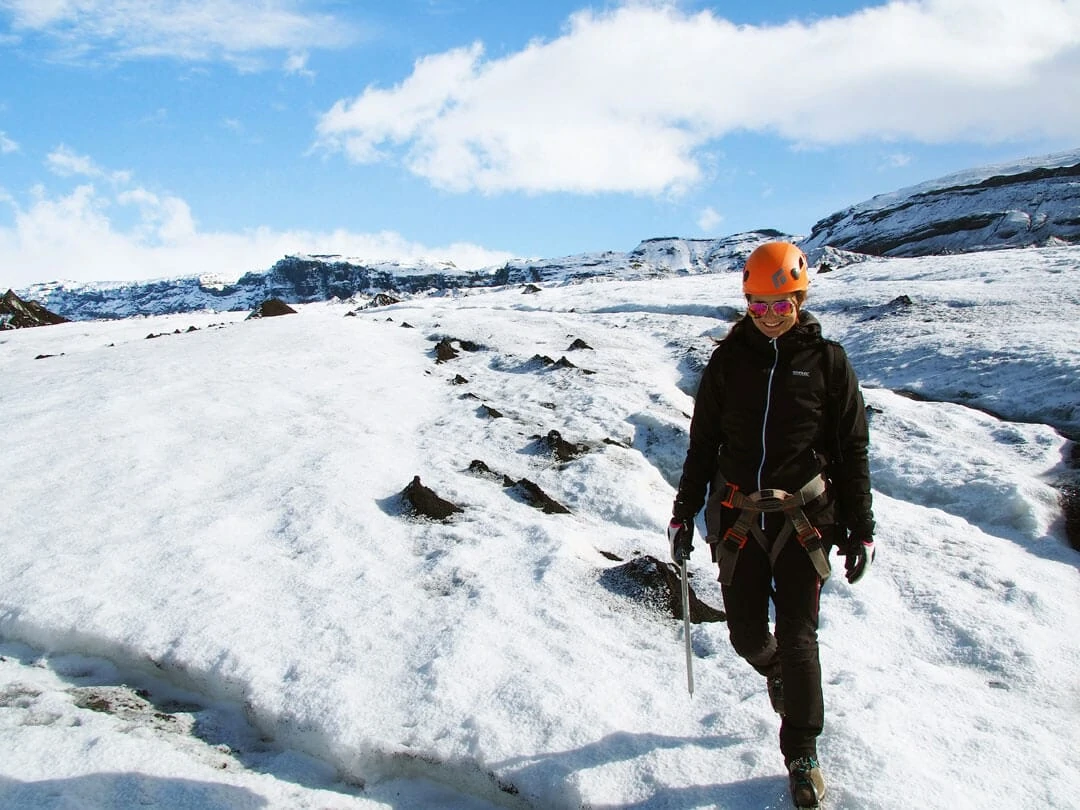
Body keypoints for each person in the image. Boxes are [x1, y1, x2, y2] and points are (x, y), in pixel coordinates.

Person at [667, 241, 875, 809]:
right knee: (745, 634)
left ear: (800, 300)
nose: (768, 316)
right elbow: (703, 445)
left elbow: (851, 448)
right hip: (737, 517)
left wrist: (861, 527)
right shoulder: (728, 362)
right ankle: (774, 670)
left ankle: (802, 752)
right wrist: (683, 513)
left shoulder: (828, 363)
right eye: (757, 306)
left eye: (780, 305)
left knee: (799, 634)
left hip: (806, 519)